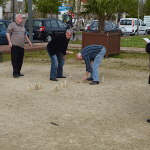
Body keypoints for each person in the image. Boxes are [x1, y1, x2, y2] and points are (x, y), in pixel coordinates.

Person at [6, 14, 32, 78]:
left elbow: (25, 35)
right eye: (20, 18)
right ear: (16, 19)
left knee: (20, 60)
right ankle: (15, 73)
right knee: (15, 59)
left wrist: (29, 42)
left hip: (21, 46)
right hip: (14, 45)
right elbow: (8, 33)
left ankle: (19, 72)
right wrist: (9, 42)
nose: (21, 19)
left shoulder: (23, 26)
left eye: (22, 18)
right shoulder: (12, 25)